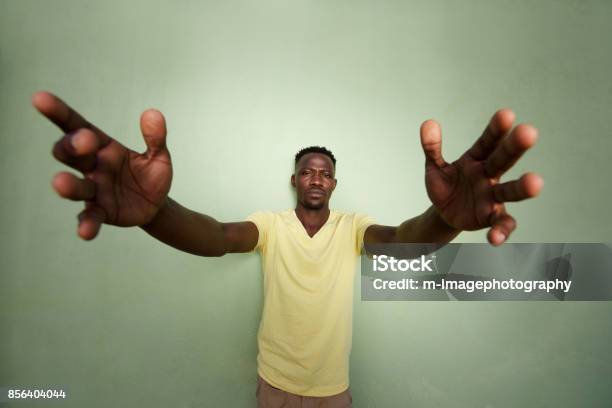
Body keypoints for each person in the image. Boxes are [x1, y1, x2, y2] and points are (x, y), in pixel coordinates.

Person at [32, 91, 543, 407]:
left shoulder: (351, 227)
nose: (316, 177)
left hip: (332, 388)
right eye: (308, 171)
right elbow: (214, 237)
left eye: (325, 172)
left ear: (335, 184)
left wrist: (445, 221)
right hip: (274, 384)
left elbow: (401, 244)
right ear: (295, 180)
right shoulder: (271, 225)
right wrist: (157, 213)